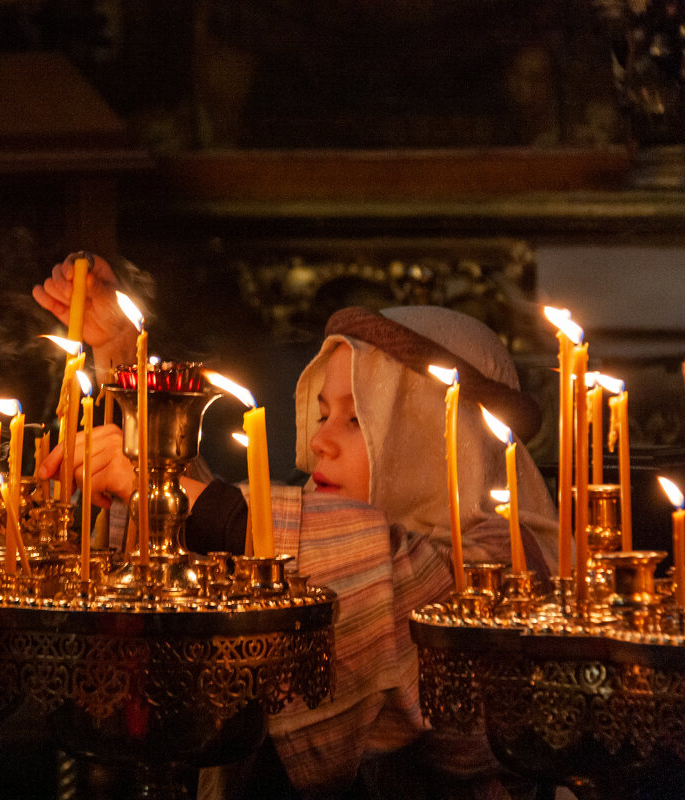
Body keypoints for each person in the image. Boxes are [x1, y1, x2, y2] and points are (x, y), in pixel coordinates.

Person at [33, 255, 560, 798]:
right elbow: (214, 551)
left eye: (358, 419)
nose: (319, 441)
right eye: (324, 412)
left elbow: (388, 579)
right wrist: (124, 360)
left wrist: (161, 490)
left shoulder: (512, 564)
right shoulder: (307, 525)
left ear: (434, 434)